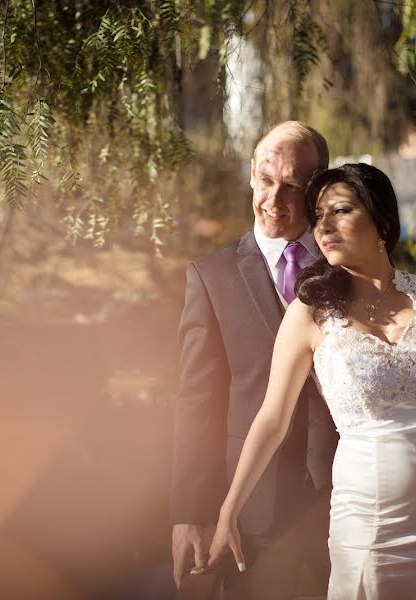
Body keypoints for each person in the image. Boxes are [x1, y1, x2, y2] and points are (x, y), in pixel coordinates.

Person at [206, 163, 416, 599]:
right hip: (367, 523)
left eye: (340, 211)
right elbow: (271, 419)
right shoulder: (308, 312)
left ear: (381, 220)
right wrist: (228, 510)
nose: (323, 227)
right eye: (318, 216)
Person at [170, 121, 338, 599]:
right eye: (266, 180)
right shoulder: (210, 276)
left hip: (349, 501)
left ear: (317, 189)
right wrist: (190, 511)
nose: (274, 198)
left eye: (292, 186)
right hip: (252, 513)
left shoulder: (350, 270)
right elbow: (197, 401)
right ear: (250, 174)